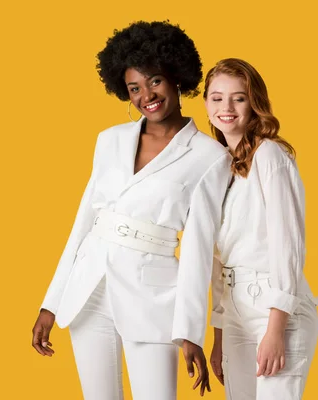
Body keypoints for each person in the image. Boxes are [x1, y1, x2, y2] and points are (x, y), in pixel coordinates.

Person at [31, 21, 232, 400]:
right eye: (134, 88)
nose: (146, 95)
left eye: (154, 81)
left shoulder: (210, 157)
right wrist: (50, 303)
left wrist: (189, 329)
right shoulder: (109, 140)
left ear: (176, 78)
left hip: (153, 298)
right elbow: (83, 224)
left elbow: (200, 248)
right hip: (89, 290)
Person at [204, 58, 318, 400]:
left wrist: (276, 330)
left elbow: (288, 245)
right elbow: (217, 259)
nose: (226, 107)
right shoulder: (218, 167)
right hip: (235, 313)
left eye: (238, 98)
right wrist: (219, 334)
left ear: (254, 103)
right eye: (216, 97)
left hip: (275, 308)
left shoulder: (270, 155)